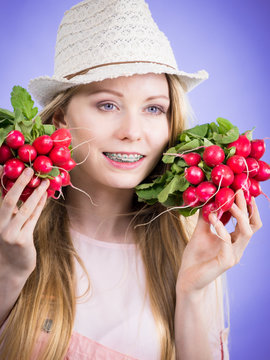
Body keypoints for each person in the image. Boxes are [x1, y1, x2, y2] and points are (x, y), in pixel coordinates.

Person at [0, 0, 262, 359]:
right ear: (60, 117)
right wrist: (8, 272)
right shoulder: (8, 234)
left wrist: (193, 291)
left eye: (154, 108)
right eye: (108, 104)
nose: (132, 132)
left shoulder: (190, 247)